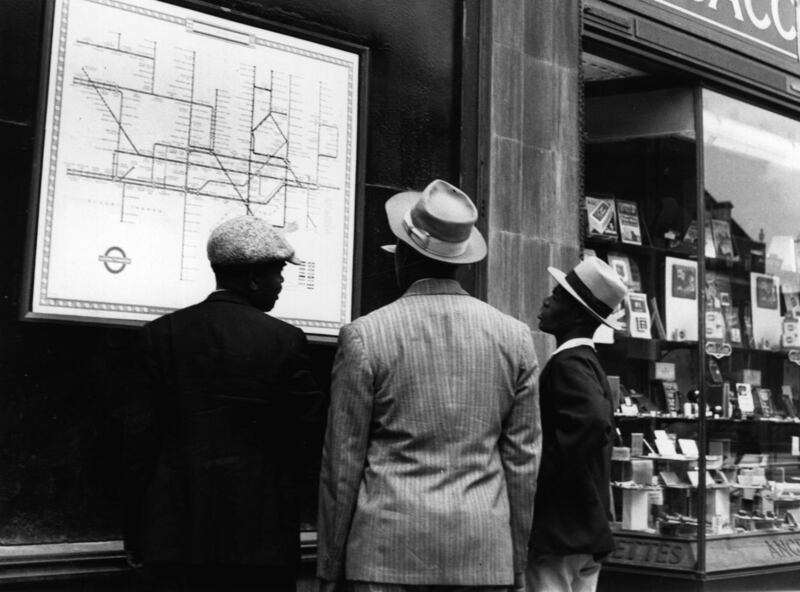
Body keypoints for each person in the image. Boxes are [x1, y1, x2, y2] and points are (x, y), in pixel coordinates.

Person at [317, 179, 541, 592]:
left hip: (385, 554)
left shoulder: (366, 335)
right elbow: (523, 464)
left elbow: (342, 464)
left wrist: (329, 565)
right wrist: (517, 561)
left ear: (402, 255)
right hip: (482, 554)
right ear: (461, 260)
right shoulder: (514, 337)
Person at [121, 215, 323, 592]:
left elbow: (137, 446)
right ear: (252, 279)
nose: (281, 282)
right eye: (278, 272)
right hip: (260, 545)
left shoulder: (159, 336)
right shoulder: (285, 341)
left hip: (173, 543)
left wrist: (136, 531)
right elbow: (309, 435)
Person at [527, 256, 628, 592]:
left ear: (574, 314)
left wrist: (545, 476)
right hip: (584, 529)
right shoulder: (587, 362)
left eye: (556, 298)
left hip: (561, 530)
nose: (545, 302)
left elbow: (592, 422)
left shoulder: (568, 363)